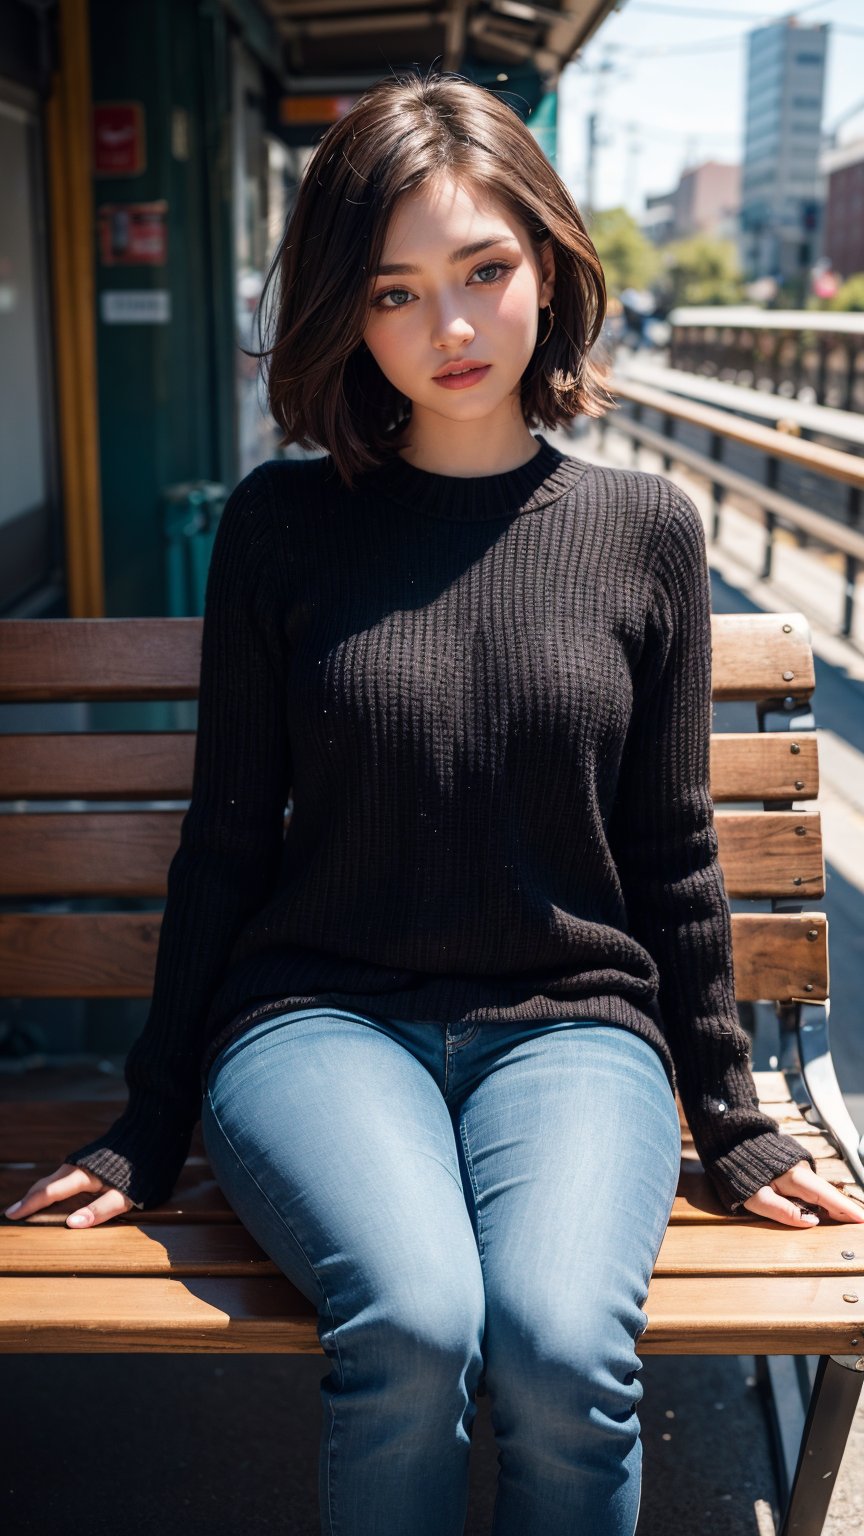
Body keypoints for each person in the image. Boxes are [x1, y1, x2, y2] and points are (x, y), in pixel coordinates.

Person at [6, 65, 862, 1536]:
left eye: (483, 271)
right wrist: (146, 1124)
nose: (450, 328)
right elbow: (224, 843)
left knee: (553, 1345)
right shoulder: (284, 524)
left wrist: (728, 1110)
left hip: (574, 1030)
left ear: (550, 262)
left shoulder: (640, 531)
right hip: (315, 1027)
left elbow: (669, 853)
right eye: (395, 292)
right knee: (410, 1325)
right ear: (349, 310)